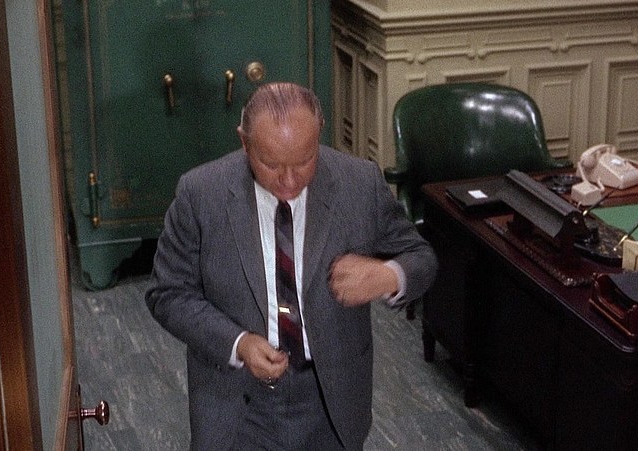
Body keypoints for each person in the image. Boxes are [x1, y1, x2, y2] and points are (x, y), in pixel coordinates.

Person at [145, 82, 437, 450]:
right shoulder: (200, 193)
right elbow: (167, 294)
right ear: (244, 142)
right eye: (271, 164)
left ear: (319, 134)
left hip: (331, 401)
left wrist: (389, 275)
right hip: (237, 404)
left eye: (303, 162)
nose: (288, 181)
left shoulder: (360, 182)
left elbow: (422, 258)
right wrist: (238, 343)